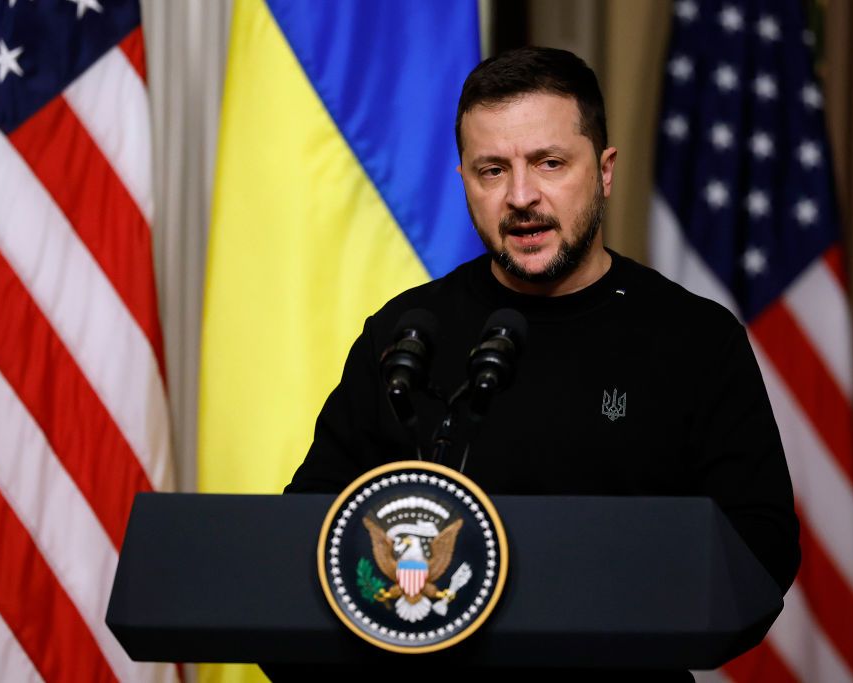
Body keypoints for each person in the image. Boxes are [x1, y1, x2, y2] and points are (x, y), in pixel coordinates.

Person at [278, 46, 800, 680]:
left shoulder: (694, 339)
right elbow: (311, 538)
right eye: (491, 170)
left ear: (604, 170)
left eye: (549, 163)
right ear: (463, 179)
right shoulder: (407, 335)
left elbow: (758, 549)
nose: (520, 196)